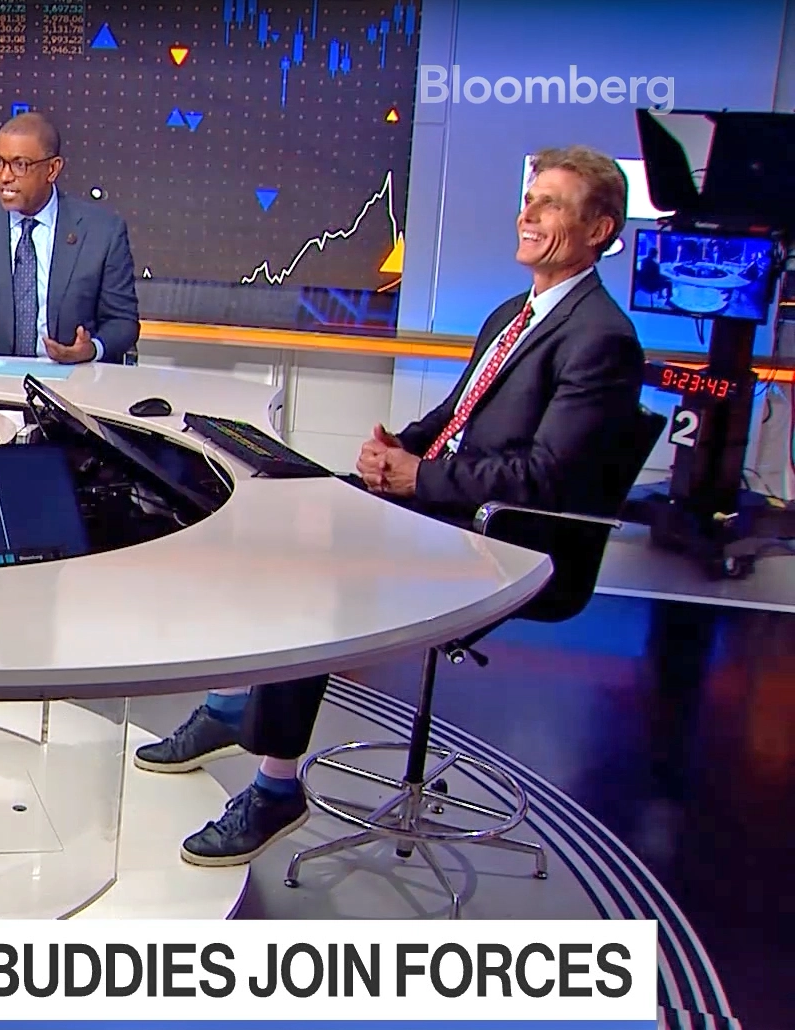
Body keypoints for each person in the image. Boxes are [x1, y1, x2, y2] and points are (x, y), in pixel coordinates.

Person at [134, 144, 648, 867]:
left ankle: (277, 787)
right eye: (529, 201)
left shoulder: (602, 338)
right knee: (269, 514)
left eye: (551, 205)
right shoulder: (514, 311)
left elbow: (546, 480)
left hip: (506, 541)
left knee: (312, 567)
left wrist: (417, 479)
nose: (528, 214)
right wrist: (394, 451)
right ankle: (226, 707)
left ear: (599, 229)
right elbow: (452, 418)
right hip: (443, 507)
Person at [0, 111, 139, 364]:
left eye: (20, 165)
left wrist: (91, 349)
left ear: (52, 169)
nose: (5, 176)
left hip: (73, 381)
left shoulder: (103, 232)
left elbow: (123, 322)